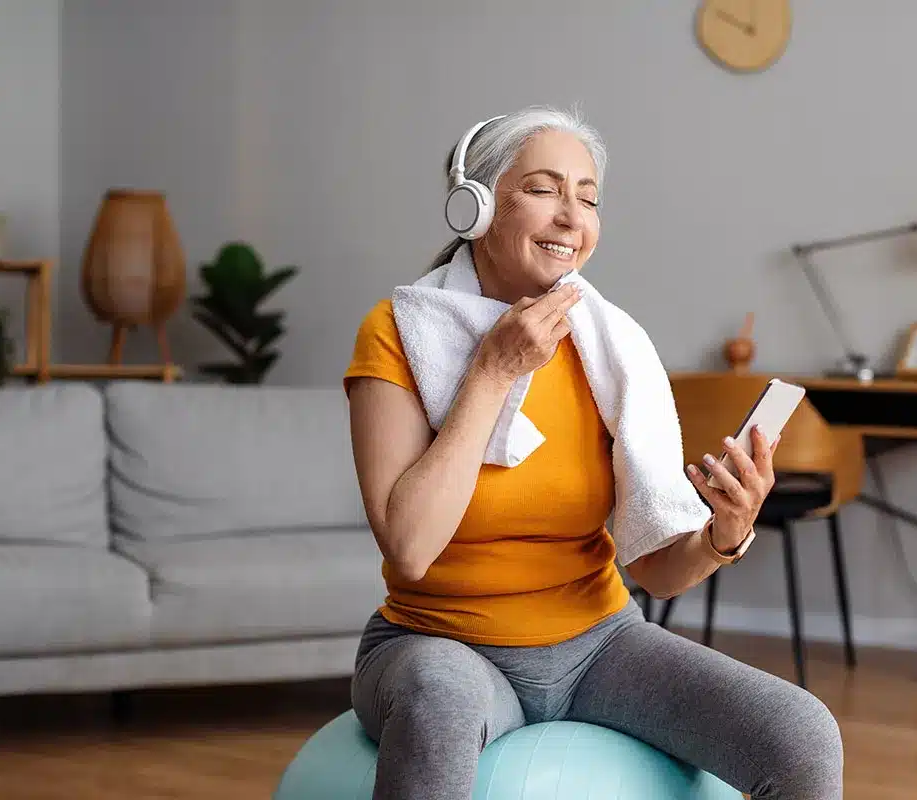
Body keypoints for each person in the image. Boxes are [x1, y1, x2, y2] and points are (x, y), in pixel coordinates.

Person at [343, 106, 843, 799]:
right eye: (544, 189)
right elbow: (409, 546)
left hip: (601, 645)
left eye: (589, 197)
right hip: (439, 644)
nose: (572, 217)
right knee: (441, 699)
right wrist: (494, 372)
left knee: (802, 734)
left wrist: (723, 536)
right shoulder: (398, 331)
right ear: (476, 206)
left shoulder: (612, 348)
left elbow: (659, 575)